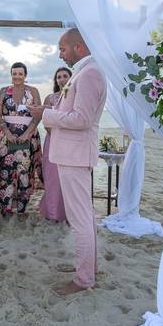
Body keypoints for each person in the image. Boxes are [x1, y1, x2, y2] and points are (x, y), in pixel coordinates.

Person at [29, 29, 106, 295]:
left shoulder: (90, 74)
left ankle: (84, 279)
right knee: (83, 215)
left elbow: (81, 119)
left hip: (75, 155)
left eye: (63, 49)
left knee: (79, 218)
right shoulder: (83, 73)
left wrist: (46, 114)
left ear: (79, 47)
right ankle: (89, 268)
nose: (60, 54)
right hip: (72, 154)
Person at [0, 62, 43, 215]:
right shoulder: (3, 91)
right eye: (14, 73)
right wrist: (7, 132)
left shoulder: (33, 91)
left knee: (24, 171)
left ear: (25, 75)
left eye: (20, 74)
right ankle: (5, 206)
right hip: (7, 136)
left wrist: (27, 133)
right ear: (11, 75)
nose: (17, 76)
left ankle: (22, 207)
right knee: (5, 170)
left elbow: (38, 115)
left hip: (28, 136)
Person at [38, 67, 72, 223]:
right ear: (56, 80)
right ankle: (52, 213)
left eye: (65, 76)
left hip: (69, 142)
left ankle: (68, 213)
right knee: (52, 177)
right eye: (59, 77)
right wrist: (56, 136)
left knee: (67, 179)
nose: (62, 79)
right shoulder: (50, 98)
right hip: (52, 141)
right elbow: (45, 121)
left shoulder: (75, 97)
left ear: (71, 78)